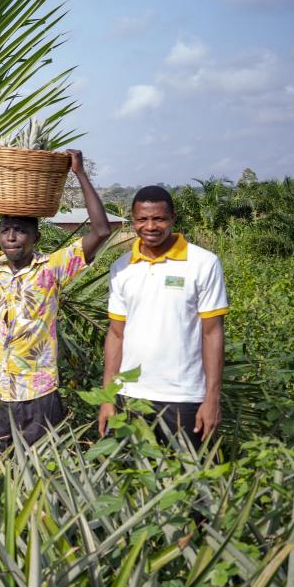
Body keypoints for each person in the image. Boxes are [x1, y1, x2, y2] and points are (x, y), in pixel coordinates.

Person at [0, 145, 112, 449]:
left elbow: (102, 230)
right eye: (6, 231)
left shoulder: (53, 268)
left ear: (36, 238)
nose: (12, 237)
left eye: (20, 231)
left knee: (42, 473)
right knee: (1, 473)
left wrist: (79, 173)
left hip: (39, 391)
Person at [98, 186, 228, 450]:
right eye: (142, 219)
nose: (150, 226)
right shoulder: (122, 268)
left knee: (187, 480)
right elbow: (116, 334)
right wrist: (107, 396)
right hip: (129, 396)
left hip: (183, 396)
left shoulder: (203, 263)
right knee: (130, 480)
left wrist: (211, 397)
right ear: (132, 220)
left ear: (172, 218)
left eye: (159, 218)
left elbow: (212, 333)